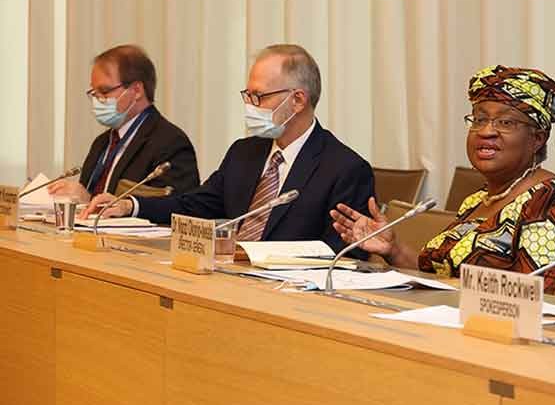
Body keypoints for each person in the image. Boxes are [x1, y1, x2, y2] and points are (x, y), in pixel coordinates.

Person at [84, 44, 375, 251]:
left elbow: (343, 250)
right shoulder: (244, 153)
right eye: (247, 95)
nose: (249, 106)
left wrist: (259, 256)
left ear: (298, 100)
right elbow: (196, 204)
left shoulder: (345, 169)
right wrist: (130, 205)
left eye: (259, 97)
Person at [331, 65, 555, 293]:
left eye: (506, 123)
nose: (487, 131)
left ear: (537, 138)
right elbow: (440, 279)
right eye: (479, 119)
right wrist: (394, 249)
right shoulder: (477, 201)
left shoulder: (551, 200)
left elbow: (538, 300)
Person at [49, 45, 199, 202]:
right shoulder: (101, 143)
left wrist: (89, 200)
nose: (97, 101)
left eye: (105, 92)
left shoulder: (170, 142)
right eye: (94, 93)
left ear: (137, 90)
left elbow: (176, 208)